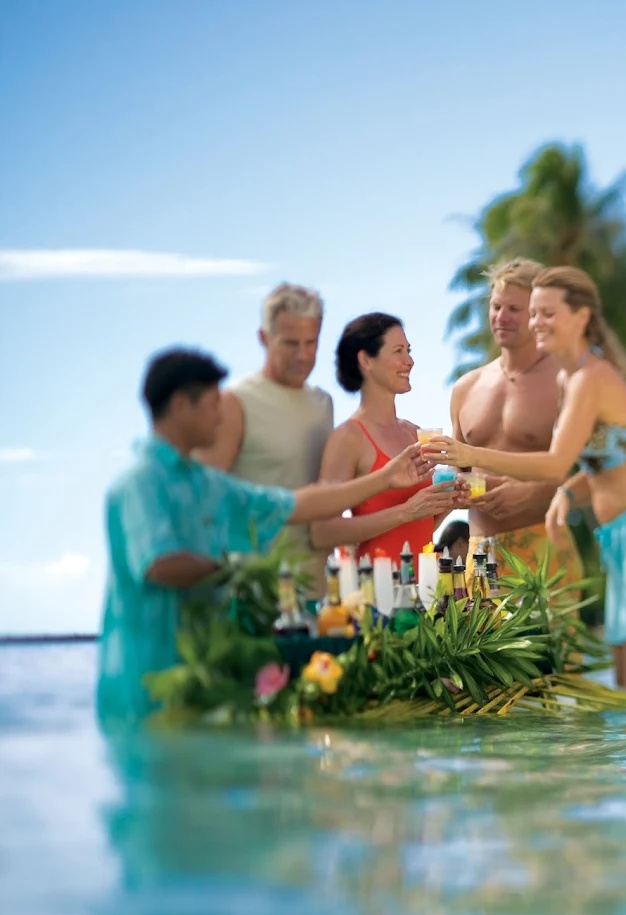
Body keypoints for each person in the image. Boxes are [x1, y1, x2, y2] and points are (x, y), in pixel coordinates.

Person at [423, 266, 626, 695]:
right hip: (616, 536)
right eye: (530, 313)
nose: (530, 321)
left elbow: (556, 463)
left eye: (541, 312)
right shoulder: (569, 378)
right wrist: (566, 492)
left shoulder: (586, 379)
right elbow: (612, 460)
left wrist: (474, 456)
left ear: (580, 317)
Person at [98, 348, 431, 724]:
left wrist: (385, 477)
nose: (221, 414)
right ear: (179, 406)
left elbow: (297, 504)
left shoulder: (210, 484)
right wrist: (244, 572)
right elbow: (161, 566)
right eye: (211, 404)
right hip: (142, 690)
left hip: (208, 683)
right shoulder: (138, 483)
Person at [449, 257, 585, 592]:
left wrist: (534, 493)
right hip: (481, 555)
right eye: (496, 306)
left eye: (514, 308)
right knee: (479, 646)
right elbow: (460, 473)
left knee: (553, 647)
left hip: (544, 549)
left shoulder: (568, 380)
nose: (501, 317)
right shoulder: (466, 388)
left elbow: (601, 469)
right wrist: (463, 489)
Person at [194, 283, 333, 596]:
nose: (303, 355)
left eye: (311, 342)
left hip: (319, 593)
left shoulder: (323, 404)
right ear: (263, 338)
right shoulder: (235, 402)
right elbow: (200, 501)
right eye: (290, 343)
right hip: (253, 596)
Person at [310, 313, 468, 568]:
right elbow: (323, 532)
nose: (410, 361)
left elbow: (419, 526)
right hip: (376, 594)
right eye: (398, 351)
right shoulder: (348, 438)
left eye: (409, 350)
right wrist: (406, 511)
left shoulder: (414, 434)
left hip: (425, 591)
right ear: (366, 360)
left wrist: (447, 504)